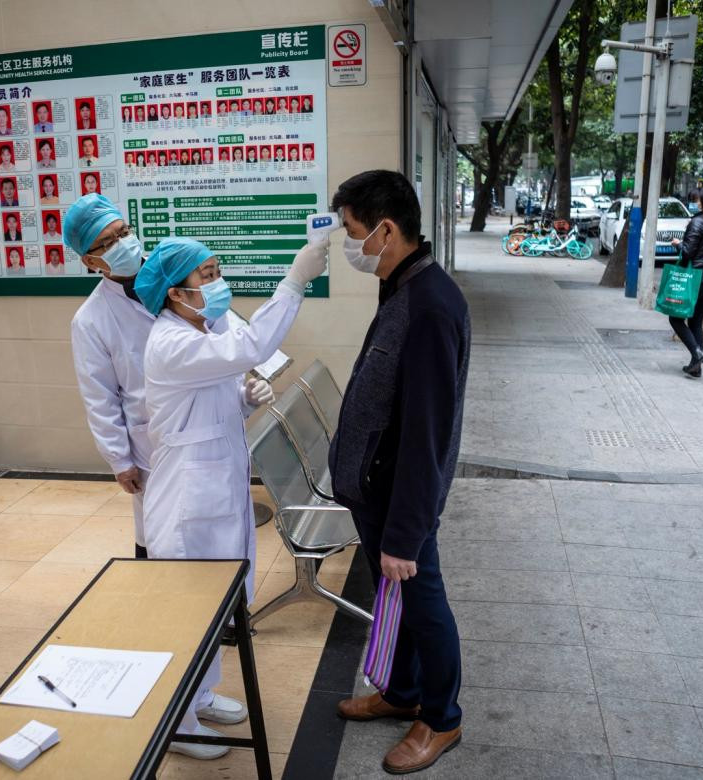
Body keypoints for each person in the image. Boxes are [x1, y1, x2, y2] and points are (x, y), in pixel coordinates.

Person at [132, 235, 327, 759]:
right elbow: (251, 348)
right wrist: (294, 282)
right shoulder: (171, 342)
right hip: (187, 499)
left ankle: (201, 696)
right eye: (207, 274)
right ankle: (176, 724)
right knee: (188, 611)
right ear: (175, 294)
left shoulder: (200, 327)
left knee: (216, 603)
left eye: (217, 269)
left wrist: (242, 399)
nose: (217, 282)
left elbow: (209, 411)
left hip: (215, 485)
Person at [328, 170, 469, 775]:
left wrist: (407, 533)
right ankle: (403, 692)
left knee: (424, 602)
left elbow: (428, 429)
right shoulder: (401, 285)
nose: (347, 243)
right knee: (401, 602)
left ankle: (440, 717)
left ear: (386, 230)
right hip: (375, 490)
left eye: (352, 231)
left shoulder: (431, 306)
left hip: (399, 498)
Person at [66, 194, 154, 561]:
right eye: (109, 242)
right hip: (152, 441)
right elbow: (99, 397)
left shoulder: (176, 274)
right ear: (90, 260)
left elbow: (219, 322)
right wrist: (119, 460)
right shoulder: (91, 320)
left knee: (221, 527)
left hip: (208, 426)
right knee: (157, 531)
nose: (124, 244)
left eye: (125, 232)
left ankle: (232, 614)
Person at [668, 185, 703, 378]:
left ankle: (697, 353)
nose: (694, 202)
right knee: (696, 323)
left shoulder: (697, 223)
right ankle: (696, 367)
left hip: (695, 279)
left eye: (697, 200)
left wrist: (678, 245)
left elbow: (688, 253)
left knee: (675, 318)